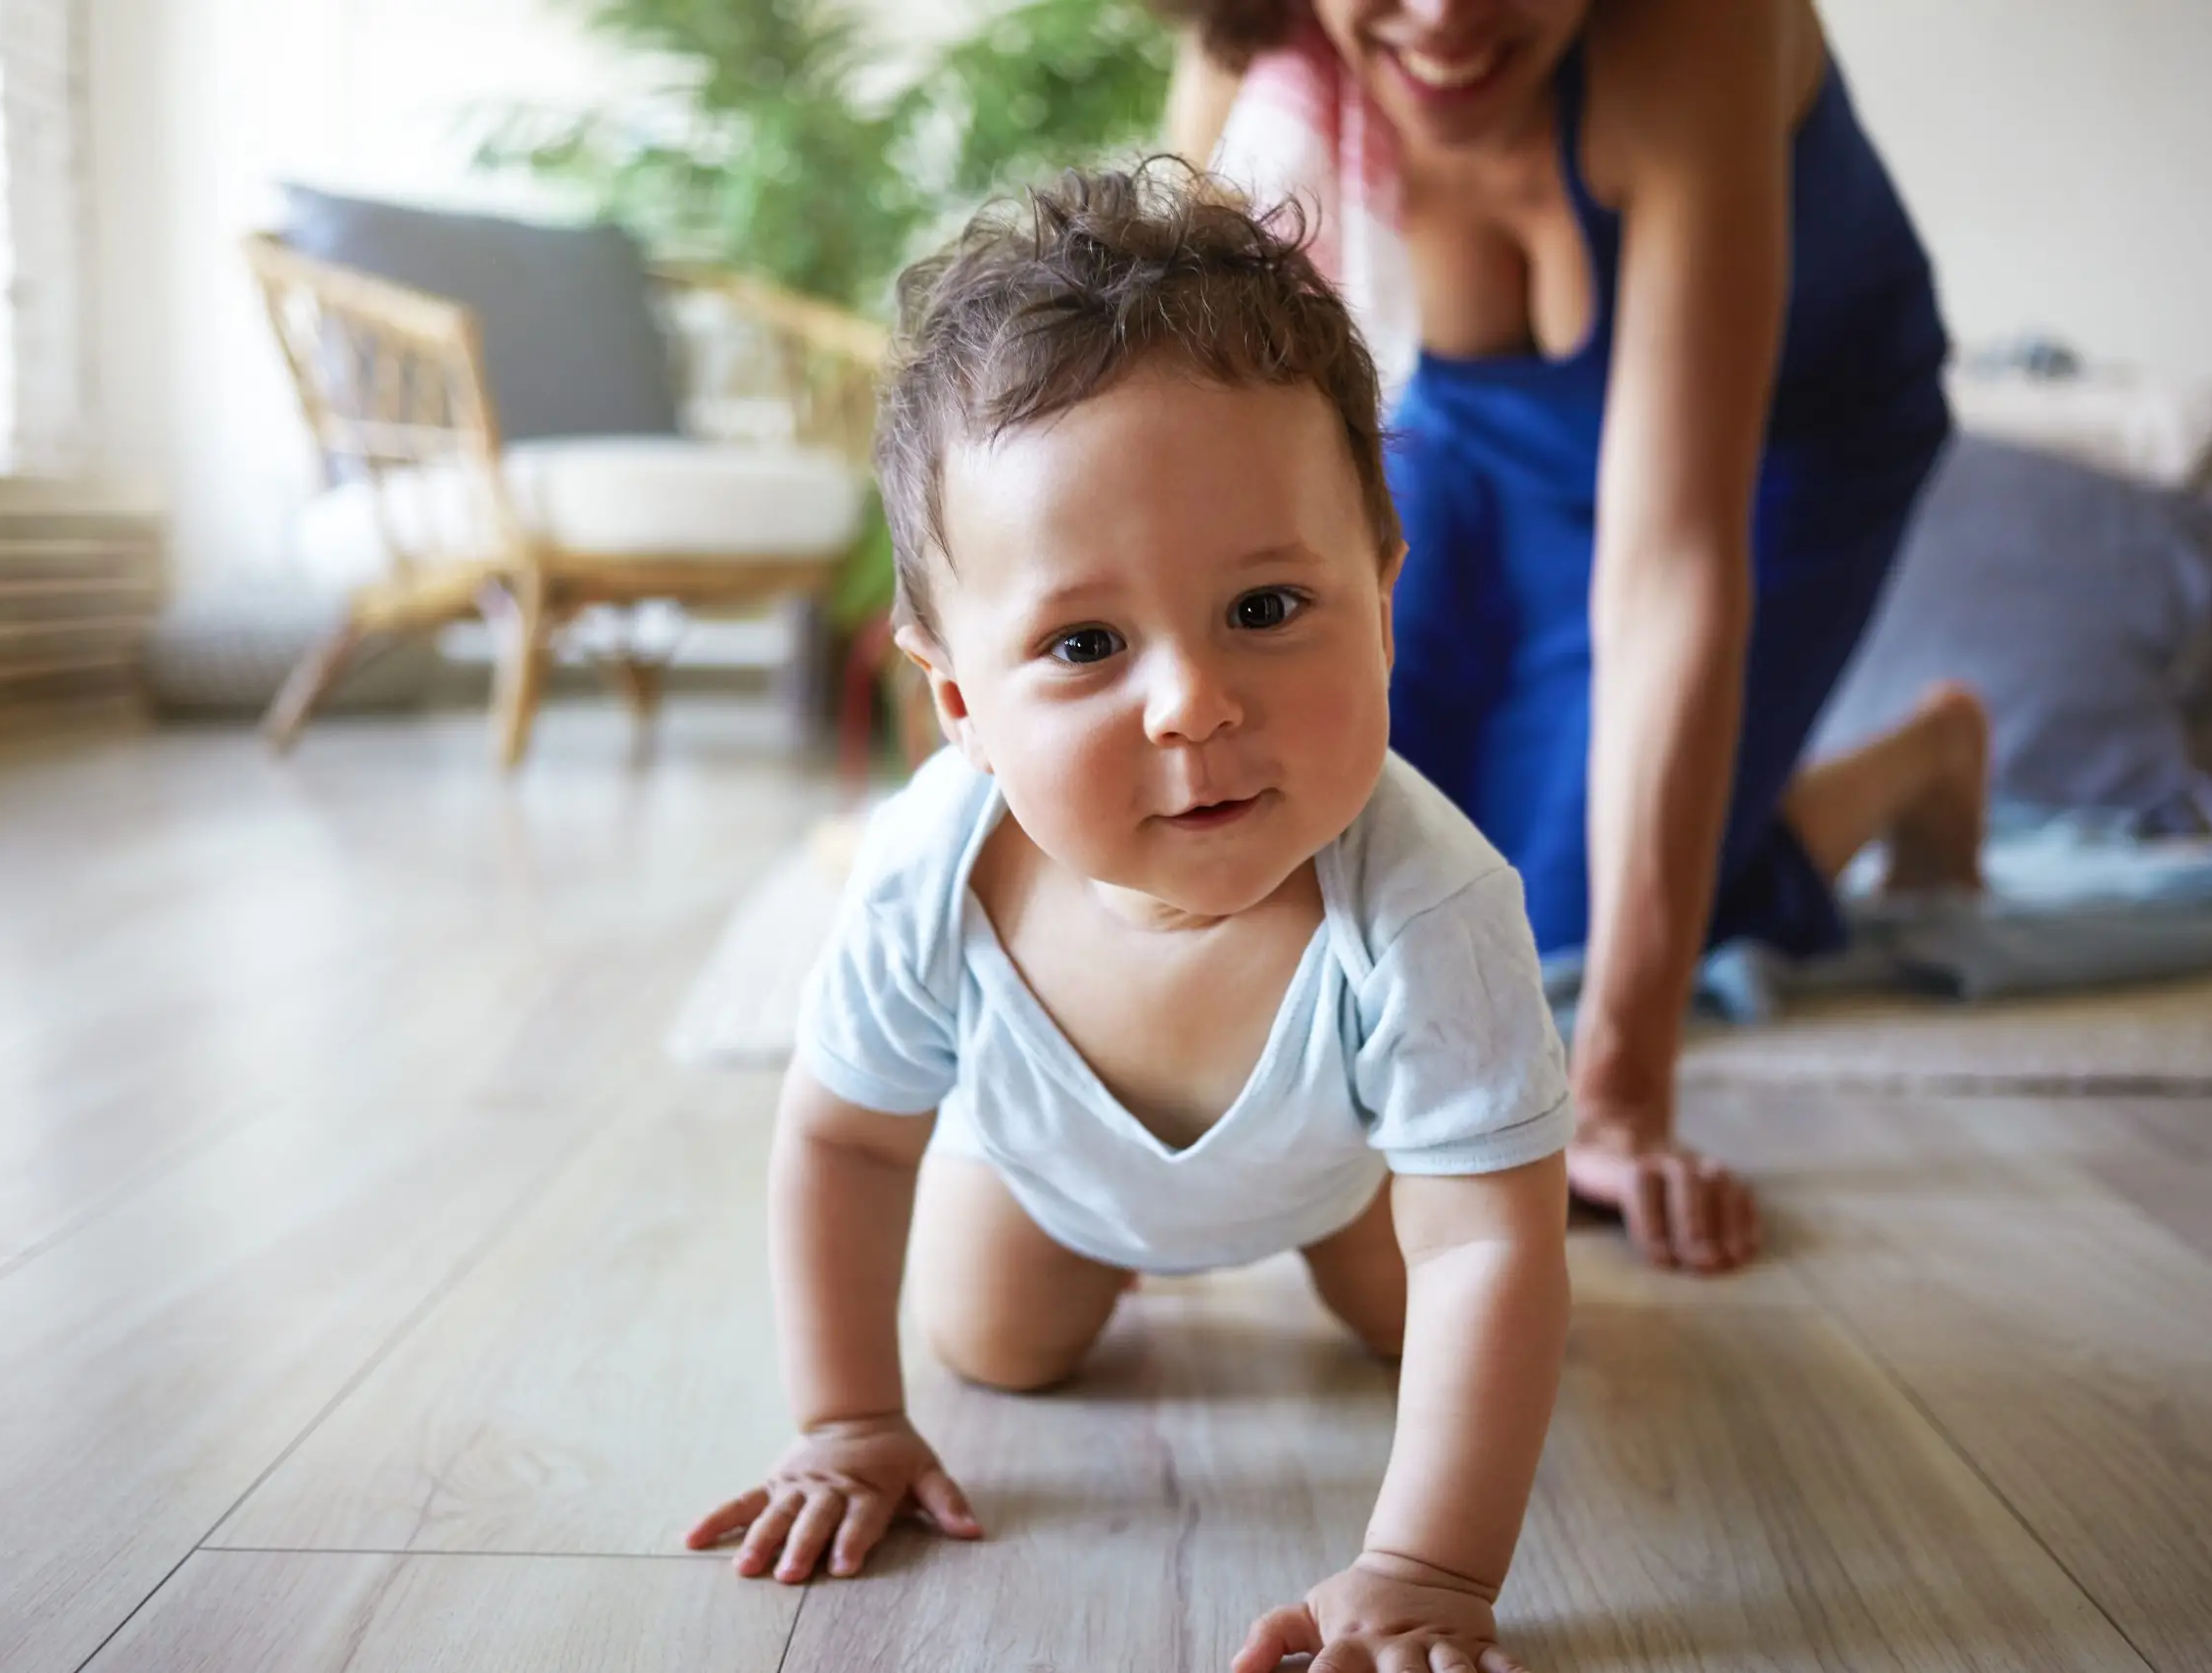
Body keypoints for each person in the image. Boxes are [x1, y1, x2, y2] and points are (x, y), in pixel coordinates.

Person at [687, 166, 1570, 1673]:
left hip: (1346, 1166)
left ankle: (1353, 1205)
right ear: (959, 699)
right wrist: (847, 1422)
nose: (1193, 702)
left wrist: (1426, 1568)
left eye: (1268, 609)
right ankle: (1082, 1233)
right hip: (1049, 1176)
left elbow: (1492, 1241)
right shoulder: (930, 879)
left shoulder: (1430, 904)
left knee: (1430, 1329)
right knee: (1002, 1349)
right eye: (1086, 642)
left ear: (1380, 596)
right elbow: (842, 1141)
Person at [1162, 0, 1990, 1275]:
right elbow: (1168, 452)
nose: (1441, 15)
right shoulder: (1261, 57)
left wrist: (1618, 1088)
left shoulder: (1707, 32)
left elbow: (1672, 574)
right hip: (1485, 435)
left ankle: (1920, 759)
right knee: (1340, 823)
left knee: (1549, 922)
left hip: (1786, 449)